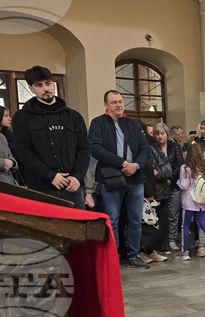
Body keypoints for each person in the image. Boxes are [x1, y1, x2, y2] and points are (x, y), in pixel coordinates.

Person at [88, 89, 151, 269]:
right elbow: (96, 149)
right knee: (113, 220)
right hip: (111, 177)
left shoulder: (133, 124)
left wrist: (135, 165)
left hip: (135, 178)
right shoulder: (98, 123)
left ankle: (133, 255)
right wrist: (122, 163)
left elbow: (145, 149)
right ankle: (112, 256)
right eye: (114, 102)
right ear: (106, 105)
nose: (119, 105)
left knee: (135, 220)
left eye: (121, 101)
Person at [12, 65, 89, 208]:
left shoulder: (73, 116)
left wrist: (77, 176)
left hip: (72, 186)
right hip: (41, 188)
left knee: (76, 222)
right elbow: (23, 152)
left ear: (54, 84)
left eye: (48, 83)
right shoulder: (22, 118)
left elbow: (83, 149)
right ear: (31, 89)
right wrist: (50, 175)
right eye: (39, 85)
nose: (45, 88)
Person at [176, 142, 205, 262]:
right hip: (202, 200)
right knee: (204, 224)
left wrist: (178, 182)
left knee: (185, 225)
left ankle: (184, 251)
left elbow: (184, 185)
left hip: (189, 200)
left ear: (186, 153)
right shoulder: (204, 167)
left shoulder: (185, 168)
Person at [149, 122, 181, 257]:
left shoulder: (175, 147)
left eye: (162, 133)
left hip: (173, 184)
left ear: (167, 134)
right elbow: (153, 168)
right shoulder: (152, 148)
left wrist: (170, 178)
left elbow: (179, 165)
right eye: (157, 134)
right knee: (161, 215)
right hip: (159, 186)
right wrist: (162, 177)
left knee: (173, 214)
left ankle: (172, 240)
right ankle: (163, 242)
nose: (160, 136)